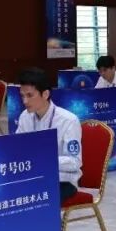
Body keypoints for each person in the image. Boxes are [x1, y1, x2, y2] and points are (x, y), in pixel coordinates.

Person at [15, 68, 82, 203]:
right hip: (34, 176)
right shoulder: (25, 117)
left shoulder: (68, 120)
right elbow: (17, 148)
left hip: (62, 179)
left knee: (35, 199)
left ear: (45, 94)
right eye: (22, 96)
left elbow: (75, 162)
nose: (25, 101)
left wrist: (45, 160)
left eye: (29, 95)